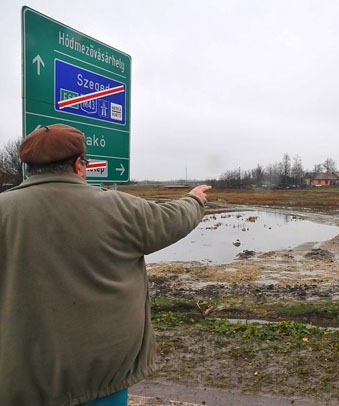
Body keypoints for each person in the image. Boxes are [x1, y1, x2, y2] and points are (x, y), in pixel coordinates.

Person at [0, 124, 211, 405]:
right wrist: (194, 200)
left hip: (21, 376)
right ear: (78, 165)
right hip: (101, 376)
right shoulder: (118, 207)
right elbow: (172, 220)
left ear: (28, 167)